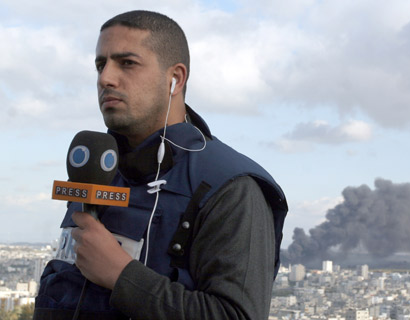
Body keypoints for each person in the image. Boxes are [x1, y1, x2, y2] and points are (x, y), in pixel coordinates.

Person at [34, 10, 288, 320]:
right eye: (101, 65)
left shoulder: (232, 188)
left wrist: (123, 276)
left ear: (175, 78)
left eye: (127, 63)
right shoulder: (98, 167)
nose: (105, 78)